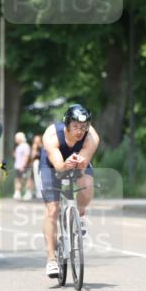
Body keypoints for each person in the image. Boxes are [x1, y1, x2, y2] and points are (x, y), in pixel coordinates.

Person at [39, 104, 100, 279]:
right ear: (67, 124)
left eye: (83, 127)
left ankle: (79, 214)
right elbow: (58, 166)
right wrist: (65, 164)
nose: (80, 131)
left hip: (77, 161)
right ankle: (51, 259)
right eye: (75, 127)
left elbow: (84, 159)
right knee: (52, 209)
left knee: (87, 188)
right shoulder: (51, 134)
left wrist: (79, 161)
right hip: (52, 164)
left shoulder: (92, 137)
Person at [12, 131, 31, 200]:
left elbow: (26, 156)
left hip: (23, 166)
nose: (15, 140)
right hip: (17, 166)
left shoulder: (25, 146)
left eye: (16, 138)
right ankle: (17, 193)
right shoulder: (18, 146)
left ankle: (28, 193)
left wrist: (23, 165)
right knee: (17, 179)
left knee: (26, 179)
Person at [30, 134, 43, 200]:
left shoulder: (43, 145)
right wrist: (34, 148)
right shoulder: (35, 146)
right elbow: (32, 156)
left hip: (43, 163)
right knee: (37, 178)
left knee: (41, 178)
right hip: (37, 162)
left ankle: (41, 193)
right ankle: (39, 193)